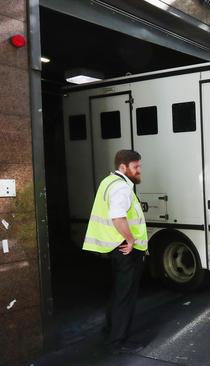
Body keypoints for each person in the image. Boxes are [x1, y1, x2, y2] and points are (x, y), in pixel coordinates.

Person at [83, 150, 148, 354]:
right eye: (135, 167)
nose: (139, 170)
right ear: (123, 167)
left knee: (119, 293)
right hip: (127, 250)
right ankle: (117, 342)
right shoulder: (121, 188)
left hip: (116, 248)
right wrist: (130, 240)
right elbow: (118, 217)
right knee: (125, 297)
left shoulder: (108, 181)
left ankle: (110, 331)